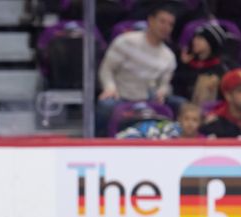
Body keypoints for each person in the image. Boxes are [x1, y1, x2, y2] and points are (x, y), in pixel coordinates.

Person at [96, 6, 178, 136]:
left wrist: (163, 91)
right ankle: (97, 142)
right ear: (151, 20)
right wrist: (109, 87)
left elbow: (165, 84)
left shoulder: (169, 56)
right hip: (121, 96)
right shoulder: (125, 41)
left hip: (148, 99)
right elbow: (106, 69)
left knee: (180, 104)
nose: (166, 27)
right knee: (105, 106)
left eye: (170, 24)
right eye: (162, 21)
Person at [173, 22, 231, 104]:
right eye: (195, 37)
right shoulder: (187, 62)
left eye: (200, 39)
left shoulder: (219, 68)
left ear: (211, 44)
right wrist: (182, 65)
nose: (194, 41)